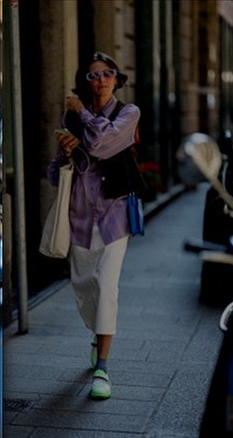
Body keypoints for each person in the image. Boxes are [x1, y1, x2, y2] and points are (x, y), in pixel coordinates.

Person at [47, 52, 141, 400]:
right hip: (80, 215)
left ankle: (102, 367)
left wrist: (82, 116)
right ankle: (97, 334)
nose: (101, 79)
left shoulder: (128, 113)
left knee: (106, 285)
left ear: (117, 79)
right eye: (93, 75)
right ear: (85, 83)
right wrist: (66, 153)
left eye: (107, 73)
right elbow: (53, 174)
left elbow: (103, 144)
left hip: (115, 214)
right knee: (85, 287)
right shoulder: (70, 119)